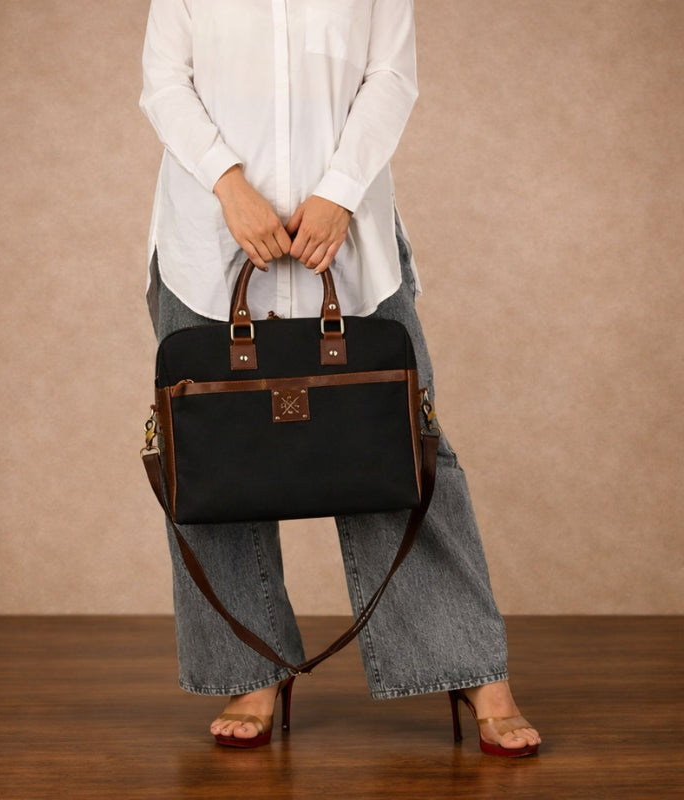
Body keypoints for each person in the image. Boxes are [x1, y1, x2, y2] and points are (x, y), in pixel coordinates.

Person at [139, 0, 541, 757]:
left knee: (404, 447)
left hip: (349, 240)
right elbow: (164, 80)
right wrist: (230, 187)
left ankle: (473, 667)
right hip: (208, 237)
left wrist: (339, 194)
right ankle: (249, 667)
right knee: (215, 456)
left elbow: (390, 76)